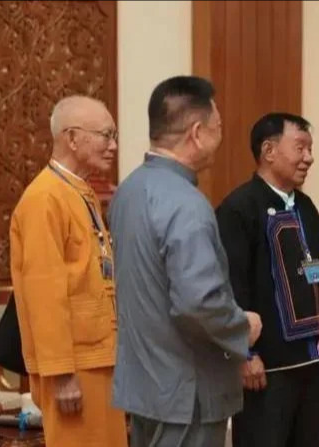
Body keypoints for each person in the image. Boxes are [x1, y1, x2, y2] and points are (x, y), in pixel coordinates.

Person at [109, 76, 260, 447]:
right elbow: (198, 302)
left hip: (146, 386)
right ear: (197, 133)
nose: (221, 137)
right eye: (218, 127)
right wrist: (242, 327)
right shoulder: (187, 204)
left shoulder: (128, 191)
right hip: (187, 391)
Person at [215, 112, 319, 447]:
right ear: (269, 151)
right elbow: (231, 287)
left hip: (312, 363)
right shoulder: (238, 208)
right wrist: (244, 354)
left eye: (310, 149)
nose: (309, 158)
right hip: (265, 369)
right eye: (300, 148)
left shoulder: (306, 206)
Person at [9, 95, 128, 446]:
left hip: (100, 356)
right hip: (75, 367)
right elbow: (44, 293)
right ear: (72, 138)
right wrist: (61, 374)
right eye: (106, 135)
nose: (113, 146)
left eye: (114, 136)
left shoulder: (78, 192)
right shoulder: (44, 198)